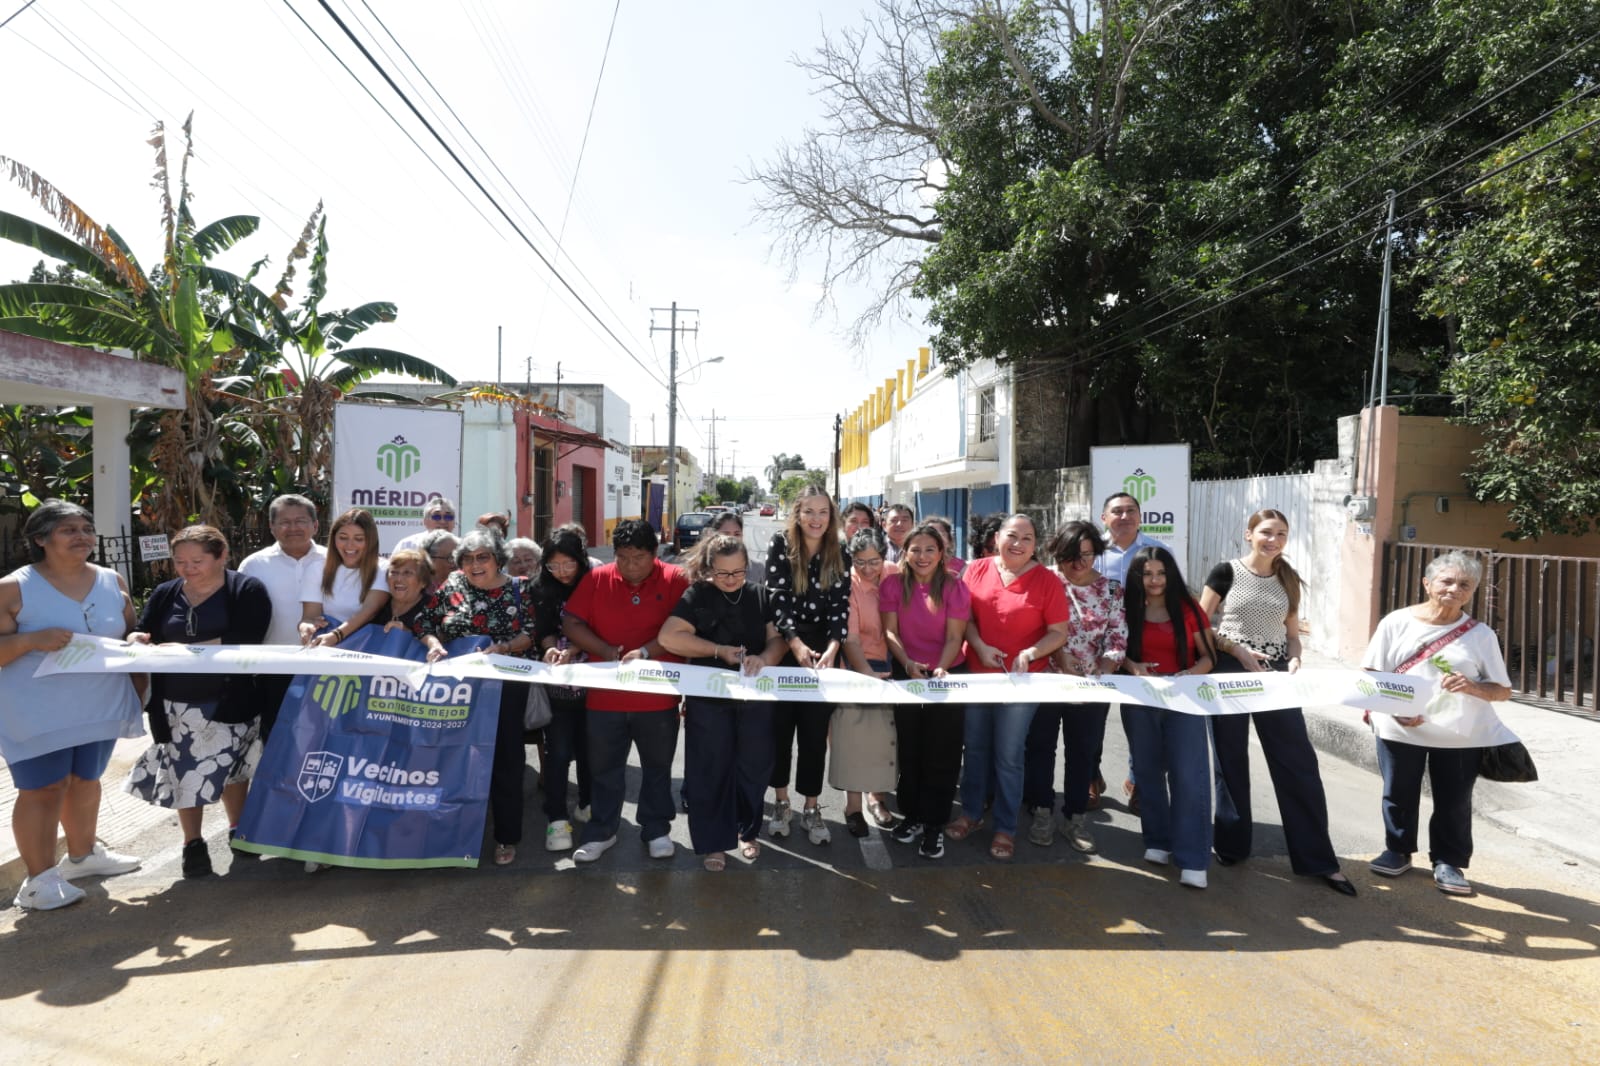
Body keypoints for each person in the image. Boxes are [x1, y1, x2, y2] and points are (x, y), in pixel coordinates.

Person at [1201, 508, 1356, 896]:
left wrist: (1297, 655)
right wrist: (1235, 648)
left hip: (1276, 677)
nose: (1274, 540)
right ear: (1249, 534)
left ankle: (1319, 860)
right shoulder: (1226, 572)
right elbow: (1200, 624)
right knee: (1229, 760)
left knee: (1298, 763)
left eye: (1282, 534)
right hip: (1230, 671)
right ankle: (1232, 846)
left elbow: (1292, 633)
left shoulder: (1287, 578)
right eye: (1267, 532)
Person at [0, 500, 143, 910]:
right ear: (40, 539)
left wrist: (135, 642)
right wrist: (29, 639)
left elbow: (130, 631)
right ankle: (38, 880)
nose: (82, 536)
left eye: (86, 528)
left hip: (99, 702)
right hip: (36, 709)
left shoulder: (111, 579)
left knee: (85, 781)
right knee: (43, 788)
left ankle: (82, 857)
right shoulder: (14, 588)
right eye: (69, 530)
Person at [124, 525, 273, 878]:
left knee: (233, 770)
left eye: (197, 560)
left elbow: (247, 638)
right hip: (175, 704)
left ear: (222, 556)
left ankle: (239, 829)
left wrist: (187, 650)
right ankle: (193, 844)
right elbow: (145, 631)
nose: (187, 568)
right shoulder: (165, 593)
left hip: (230, 699)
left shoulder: (245, 590)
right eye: (180, 562)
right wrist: (136, 638)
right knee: (184, 774)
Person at [1362, 550, 1514, 896]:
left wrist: (1474, 687)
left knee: (1455, 798)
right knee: (1398, 791)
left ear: (1472, 591)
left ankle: (1449, 861)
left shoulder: (1481, 635)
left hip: (1460, 734)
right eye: (1446, 581)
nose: (1454, 589)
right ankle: (1397, 850)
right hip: (1399, 726)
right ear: (1427, 584)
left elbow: (1502, 690)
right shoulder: (1396, 623)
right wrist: (1395, 709)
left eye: (1465, 584)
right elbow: (1371, 675)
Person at [562, 519, 690, 863]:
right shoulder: (598, 578)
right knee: (604, 768)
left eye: (639, 558)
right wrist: (603, 650)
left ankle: (656, 829)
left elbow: (685, 628)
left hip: (659, 696)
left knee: (657, 767)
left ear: (656, 553)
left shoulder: (676, 579)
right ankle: (602, 831)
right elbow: (571, 621)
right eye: (623, 557)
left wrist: (646, 650)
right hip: (605, 697)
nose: (631, 565)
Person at [657, 534, 785, 870]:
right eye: (723, 573)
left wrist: (764, 659)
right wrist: (717, 651)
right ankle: (714, 843)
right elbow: (670, 636)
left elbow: (778, 641)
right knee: (709, 771)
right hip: (708, 702)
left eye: (738, 573)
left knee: (754, 769)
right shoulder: (697, 594)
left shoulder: (760, 595)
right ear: (709, 568)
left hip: (755, 702)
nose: (731, 580)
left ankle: (747, 832)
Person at [949, 514, 1070, 861]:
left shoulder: (1047, 581)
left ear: (1036, 544)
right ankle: (971, 813)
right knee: (974, 749)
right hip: (977, 676)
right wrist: (980, 646)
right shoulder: (976, 570)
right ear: (997, 537)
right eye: (1012, 536)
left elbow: (1058, 631)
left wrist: (1032, 652)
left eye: (1027, 538)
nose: (1018, 544)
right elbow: (965, 619)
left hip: (1022, 682)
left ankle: (1005, 827)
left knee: (1008, 755)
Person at [415, 528, 536, 865]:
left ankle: (506, 836)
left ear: (498, 558)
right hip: (458, 688)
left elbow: (530, 634)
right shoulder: (452, 585)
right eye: (467, 558)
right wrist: (434, 643)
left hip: (505, 687)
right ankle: (450, 832)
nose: (474, 563)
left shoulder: (518, 587)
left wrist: (505, 648)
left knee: (505, 760)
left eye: (482, 556)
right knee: (453, 759)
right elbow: (424, 622)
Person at [1022, 521, 1127, 853]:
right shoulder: (1044, 581)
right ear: (1058, 553)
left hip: (1090, 686)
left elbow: (1117, 636)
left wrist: (1104, 667)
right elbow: (1031, 626)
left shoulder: (1111, 590)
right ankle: (1041, 812)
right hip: (1046, 679)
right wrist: (1060, 656)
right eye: (1070, 555)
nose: (1079, 563)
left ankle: (1075, 817)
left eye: (1086, 555)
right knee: (1040, 748)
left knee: (1083, 753)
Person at [1122, 545, 1215, 889]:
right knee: (1146, 772)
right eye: (1147, 574)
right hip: (1139, 701)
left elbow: (1208, 658)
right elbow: (1116, 652)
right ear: (1136, 576)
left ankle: (1193, 858)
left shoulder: (1188, 608)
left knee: (1188, 776)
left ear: (1171, 574)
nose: (1155, 580)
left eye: (1161, 573)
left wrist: (1191, 673)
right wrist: (1132, 666)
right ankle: (1157, 841)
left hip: (1184, 702)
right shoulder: (1127, 609)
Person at [763, 484, 852, 845]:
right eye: (809, 511)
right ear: (797, 513)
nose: (816, 519)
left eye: (823, 512)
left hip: (823, 649)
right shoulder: (780, 545)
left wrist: (832, 647)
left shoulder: (839, 550)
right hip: (785, 646)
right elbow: (776, 599)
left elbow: (839, 605)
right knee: (781, 733)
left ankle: (812, 808)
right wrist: (794, 644)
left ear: (831, 517)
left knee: (815, 735)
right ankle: (782, 803)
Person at [882, 523, 971, 858]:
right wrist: (906, 663)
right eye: (915, 549)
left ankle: (934, 824)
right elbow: (890, 633)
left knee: (943, 753)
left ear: (941, 553)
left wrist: (940, 669)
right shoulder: (893, 585)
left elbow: (954, 638)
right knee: (911, 750)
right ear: (905, 553)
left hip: (946, 675)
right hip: (908, 675)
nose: (922, 556)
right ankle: (913, 817)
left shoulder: (953, 587)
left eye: (929, 550)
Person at [238, 494, 326, 738]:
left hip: (325, 665)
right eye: (284, 522)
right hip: (273, 665)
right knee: (275, 735)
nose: (293, 527)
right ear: (271, 527)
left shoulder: (333, 560)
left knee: (320, 735)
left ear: (315, 525)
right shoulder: (254, 565)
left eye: (301, 520)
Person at [529, 528, 594, 851]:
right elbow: (541, 629)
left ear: (580, 560)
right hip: (557, 690)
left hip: (595, 686)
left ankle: (587, 805)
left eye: (568, 564)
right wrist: (550, 648)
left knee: (590, 753)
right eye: (554, 566)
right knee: (557, 755)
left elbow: (603, 629)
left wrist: (577, 649)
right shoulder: (540, 587)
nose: (562, 572)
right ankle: (556, 818)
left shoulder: (597, 582)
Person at [834, 526, 899, 837]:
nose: (869, 568)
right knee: (854, 741)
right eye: (861, 562)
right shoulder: (848, 585)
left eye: (874, 561)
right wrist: (868, 676)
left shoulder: (893, 573)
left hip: (893, 667)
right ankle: (853, 808)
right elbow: (851, 639)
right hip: (858, 668)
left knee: (883, 742)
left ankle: (879, 801)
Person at [299, 508, 389, 647]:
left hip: (367, 649)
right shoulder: (316, 568)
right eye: (343, 537)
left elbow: (370, 611)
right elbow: (309, 617)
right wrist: (306, 627)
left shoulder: (383, 569)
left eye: (358, 539)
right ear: (333, 537)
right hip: (324, 647)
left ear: (370, 540)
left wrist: (336, 635)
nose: (349, 545)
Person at [378, 549, 430, 631]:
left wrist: (406, 633)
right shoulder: (378, 604)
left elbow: (438, 641)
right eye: (394, 572)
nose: (399, 579)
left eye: (407, 573)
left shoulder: (433, 609)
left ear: (423, 581)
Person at [393, 495, 458, 554]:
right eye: (436, 516)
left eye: (448, 517)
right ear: (425, 521)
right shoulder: (408, 545)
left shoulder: (460, 546)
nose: (443, 521)